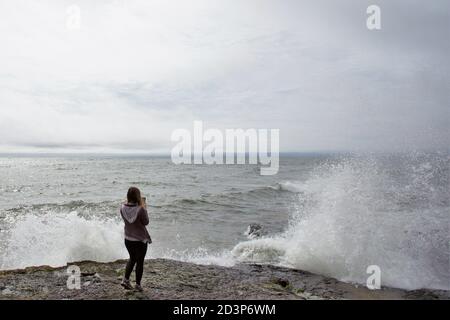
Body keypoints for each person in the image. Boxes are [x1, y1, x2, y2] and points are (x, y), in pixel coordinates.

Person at [120, 187, 151, 292]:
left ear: (128, 196)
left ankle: (126, 280)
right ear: (138, 197)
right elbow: (146, 222)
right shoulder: (141, 209)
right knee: (140, 262)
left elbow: (128, 218)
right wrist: (144, 207)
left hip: (128, 239)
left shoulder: (122, 208)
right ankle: (138, 285)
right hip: (140, 240)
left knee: (132, 258)